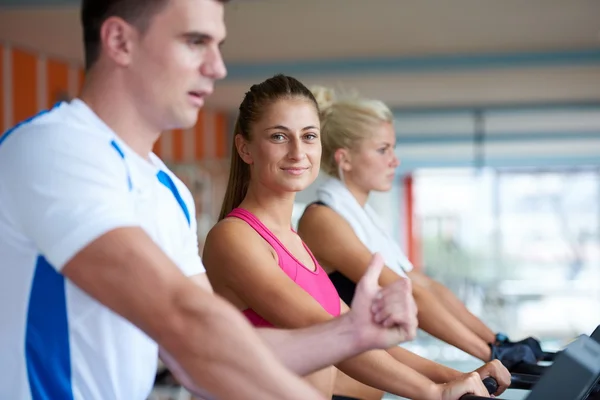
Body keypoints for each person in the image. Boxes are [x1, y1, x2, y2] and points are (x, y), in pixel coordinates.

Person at [0, 2, 430, 400]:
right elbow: (189, 324)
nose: (217, 67)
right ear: (119, 41)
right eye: (195, 42)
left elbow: (215, 349)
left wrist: (352, 333)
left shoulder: (169, 190)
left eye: (218, 46)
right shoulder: (54, 147)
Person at [202, 73, 511, 400]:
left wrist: (459, 376)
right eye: (279, 137)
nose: (297, 152)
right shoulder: (234, 238)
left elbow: (361, 338)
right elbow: (330, 336)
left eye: (309, 136)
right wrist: (434, 392)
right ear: (245, 148)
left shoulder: (295, 243)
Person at [296, 86, 541, 399]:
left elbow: (429, 287)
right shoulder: (323, 219)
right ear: (344, 159)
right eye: (383, 150)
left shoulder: (364, 219)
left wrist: (497, 342)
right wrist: (490, 352)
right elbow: (409, 295)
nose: (395, 161)